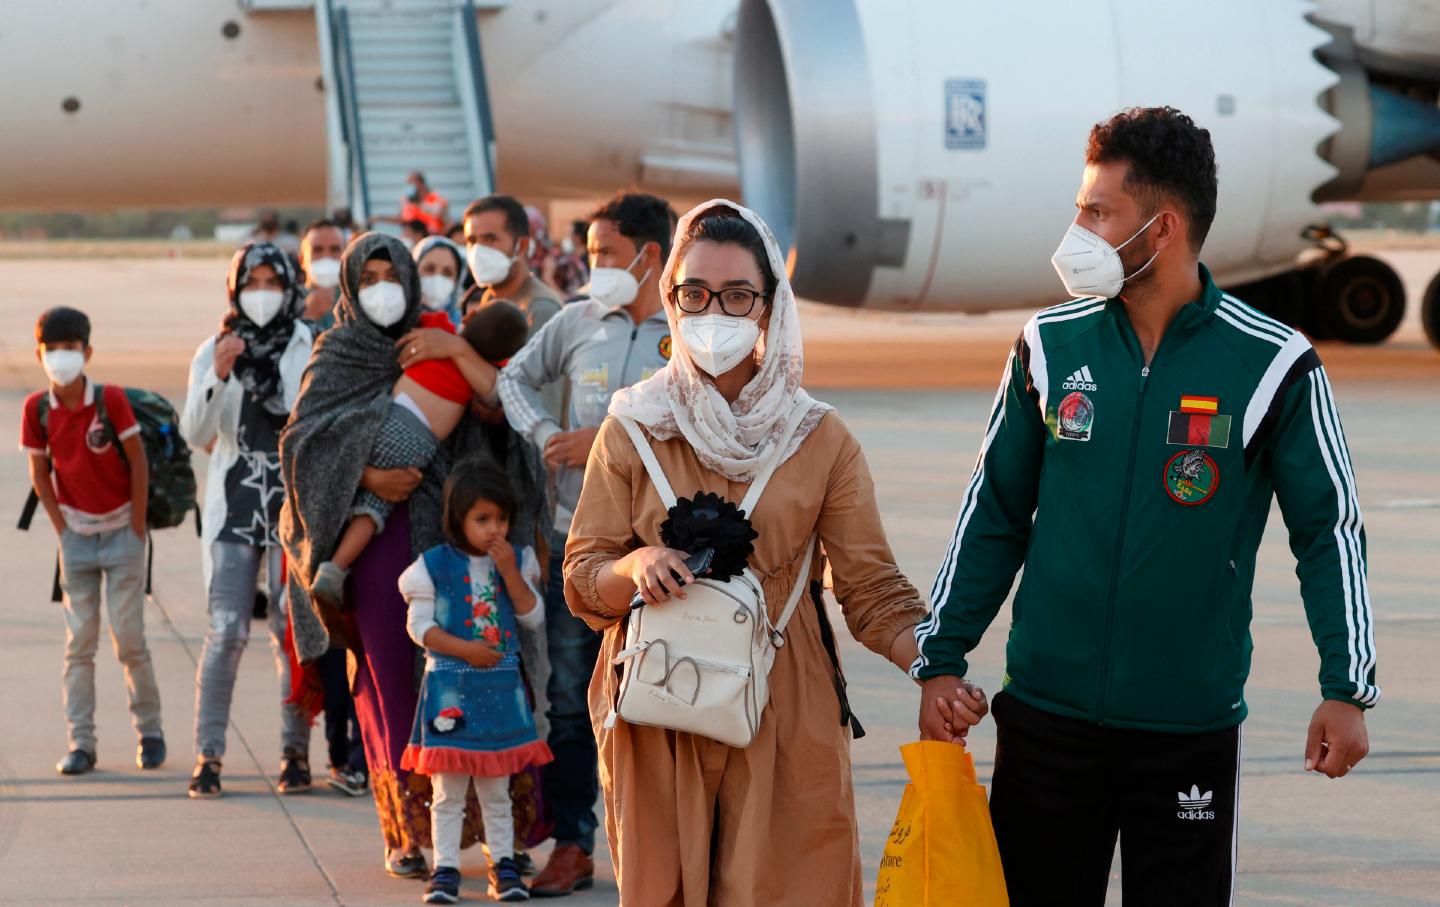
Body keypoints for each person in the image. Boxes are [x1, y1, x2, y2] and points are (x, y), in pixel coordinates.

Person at [912, 107, 1378, 906]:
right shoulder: (1048, 346)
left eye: (1099, 212)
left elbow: (1328, 530)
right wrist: (941, 657)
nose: (1078, 229)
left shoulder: (1272, 364)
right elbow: (993, 509)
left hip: (1186, 733)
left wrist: (1347, 683)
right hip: (1046, 725)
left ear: (1160, 227)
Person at [562, 199, 927, 905]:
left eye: (736, 296)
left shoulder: (819, 437)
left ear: (769, 307)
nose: (713, 312)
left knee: (791, 885)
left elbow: (872, 587)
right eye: (694, 293)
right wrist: (634, 566)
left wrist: (933, 668)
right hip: (659, 704)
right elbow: (583, 575)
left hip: (786, 704)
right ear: (670, 296)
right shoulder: (634, 425)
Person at [282, 233, 546, 879]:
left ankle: (494, 831)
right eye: (367, 274)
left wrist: (456, 352)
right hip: (372, 552)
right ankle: (409, 833)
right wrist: (369, 476)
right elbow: (300, 445)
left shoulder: (438, 337)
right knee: (391, 681)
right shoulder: (335, 351)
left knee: (473, 679)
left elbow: (497, 412)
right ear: (349, 282)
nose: (382, 285)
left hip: (446, 541)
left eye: (390, 272)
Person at [497, 190, 676, 897]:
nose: (591, 265)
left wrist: (601, 439)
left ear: (649, 254)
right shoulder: (576, 322)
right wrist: (547, 438)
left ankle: (666, 848)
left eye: (603, 253)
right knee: (571, 702)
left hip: (666, 557)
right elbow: (514, 379)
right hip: (580, 547)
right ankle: (574, 843)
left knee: (665, 703)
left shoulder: (691, 328)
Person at [180, 242, 315, 798]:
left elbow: (305, 411)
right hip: (235, 508)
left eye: (271, 281)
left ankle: (294, 752)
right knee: (228, 631)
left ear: (288, 286)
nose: (262, 292)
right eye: (251, 281)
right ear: (234, 288)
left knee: (291, 633)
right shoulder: (215, 347)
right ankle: (209, 754)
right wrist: (216, 374)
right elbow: (194, 430)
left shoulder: (308, 342)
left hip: (290, 508)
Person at [400, 458, 554, 904]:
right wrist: (464, 648)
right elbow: (418, 626)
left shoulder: (519, 561)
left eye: (501, 518)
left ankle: (503, 865)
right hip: (450, 694)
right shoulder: (431, 567)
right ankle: (444, 868)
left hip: (501, 693)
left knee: (498, 789)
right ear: (458, 518)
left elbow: (533, 616)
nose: (494, 529)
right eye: (482, 519)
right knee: (447, 792)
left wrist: (509, 574)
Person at [309, 301, 529, 607]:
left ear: (472, 315)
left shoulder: (438, 330)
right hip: (414, 445)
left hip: (384, 421)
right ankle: (334, 568)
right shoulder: (479, 372)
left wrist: (453, 335)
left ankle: (323, 549)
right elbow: (497, 390)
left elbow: (414, 315)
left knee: (350, 479)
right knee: (374, 508)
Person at [21, 306, 164, 776]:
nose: (62, 357)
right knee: (78, 643)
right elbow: (40, 473)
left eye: (71, 348)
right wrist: (63, 530)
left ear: (88, 351)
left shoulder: (111, 400)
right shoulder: (36, 409)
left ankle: (150, 731)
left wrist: (137, 527)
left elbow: (138, 462)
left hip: (123, 533)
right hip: (77, 541)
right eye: (53, 349)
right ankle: (81, 742)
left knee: (129, 640)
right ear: (40, 354)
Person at [460, 194, 562, 337]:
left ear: (521, 246)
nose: (478, 251)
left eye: (490, 239)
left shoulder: (541, 308)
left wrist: (459, 350)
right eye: (472, 241)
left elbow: (522, 361)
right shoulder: (491, 297)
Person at [299, 219, 346, 330]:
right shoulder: (287, 303)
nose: (326, 257)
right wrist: (307, 316)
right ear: (301, 259)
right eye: (317, 250)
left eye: (335, 250)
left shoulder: (359, 302)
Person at [413, 235, 467, 328]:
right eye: (429, 269)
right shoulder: (396, 321)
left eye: (448, 273)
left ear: (457, 280)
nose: (438, 278)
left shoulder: (464, 328)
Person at [403, 172, 450, 236]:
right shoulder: (408, 201)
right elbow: (405, 219)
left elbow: (441, 212)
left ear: (420, 183)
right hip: (415, 238)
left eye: (411, 182)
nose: (409, 186)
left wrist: (419, 204)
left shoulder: (435, 197)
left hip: (434, 236)